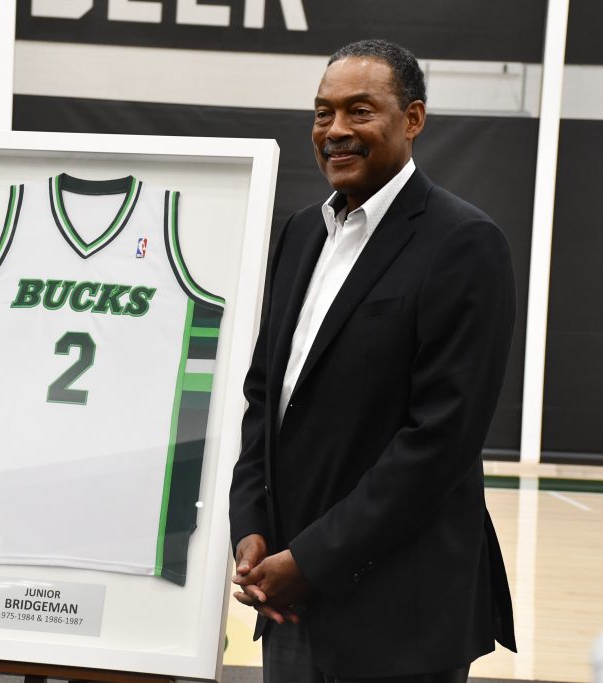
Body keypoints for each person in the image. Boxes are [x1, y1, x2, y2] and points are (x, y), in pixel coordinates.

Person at [228, 39, 517, 682]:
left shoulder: (465, 243)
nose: (336, 131)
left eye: (360, 111)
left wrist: (311, 560)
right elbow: (264, 397)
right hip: (292, 602)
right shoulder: (302, 232)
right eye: (323, 113)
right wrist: (250, 523)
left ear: (412, 119)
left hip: (401, 613)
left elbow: (439, 440)